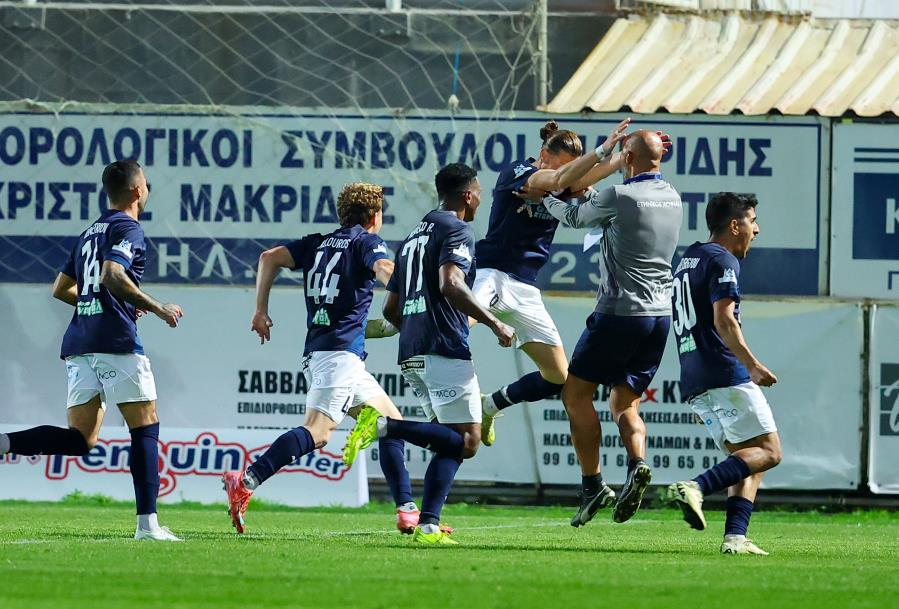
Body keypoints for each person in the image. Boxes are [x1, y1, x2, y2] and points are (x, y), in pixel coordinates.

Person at [0, 160, 183, 541]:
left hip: (80, 343)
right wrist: (157, 307)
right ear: (137, 190)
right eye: (146, 184)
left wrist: (106, 303)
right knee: (145, 427)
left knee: (80, 440)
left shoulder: (89, 233)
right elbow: (112, 274)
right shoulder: (128, 228)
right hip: (114, 341)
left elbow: (62, 289)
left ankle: (4, 443)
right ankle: (148, 526)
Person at [221, 182, 417, 534]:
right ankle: (247, 480)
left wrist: (260, 310)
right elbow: (385, 268)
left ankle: (407, 510)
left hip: (331, 354)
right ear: (375, 215)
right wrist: (412, 292)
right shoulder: (366, 241)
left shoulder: (317, 243)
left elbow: (268, 258)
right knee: (318, 432)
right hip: (338, 357)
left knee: (391, 424)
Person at [349, 163, 514, 545]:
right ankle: (385, 427)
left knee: (449, 440)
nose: (480, 201)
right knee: (468, 440)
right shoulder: (457, 229)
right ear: (468, 195)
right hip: (443, 347)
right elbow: (451, 283)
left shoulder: (412, 236)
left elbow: (391, 308)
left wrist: (414, 328)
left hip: (412, 352)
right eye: (479, 194)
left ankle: (428, 526)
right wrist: (494, 323)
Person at [533, 130, 683, 527]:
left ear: (628, 158)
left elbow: (573, 216)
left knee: (575, 394)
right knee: (625, 402)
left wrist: (544, 197)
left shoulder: (620, 196)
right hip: (659, 317)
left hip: (619, 313)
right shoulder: (672, 196)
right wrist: (591, 192)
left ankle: (592, 485)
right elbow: (616, 210)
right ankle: (638, 464)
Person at [476, 118, 632, 446]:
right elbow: (562, 178)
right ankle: (427, 376)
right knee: (459, 322)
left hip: (525, 287)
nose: (568, 175)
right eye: (564, 166)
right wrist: (602, 150)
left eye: (571, 168)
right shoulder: (518, 172)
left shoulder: (564, 180)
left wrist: (627, 154)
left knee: (559, 377)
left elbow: (584, 176)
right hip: (492, 272)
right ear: (544, 155)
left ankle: (489, 405)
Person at [665, 192, 782, 556]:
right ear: (735, 225)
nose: (756, 229)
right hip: (723, 371)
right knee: (770, 452)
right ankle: (696, 487)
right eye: (752, 221)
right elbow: (724, 319)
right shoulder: (722, 259)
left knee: (746, 460)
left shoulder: (690, 257)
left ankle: (735, 538)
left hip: (695, 376)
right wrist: (752, 364)